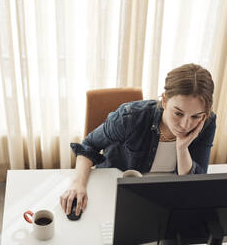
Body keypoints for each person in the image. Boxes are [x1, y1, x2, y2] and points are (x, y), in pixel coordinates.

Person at [60, 63, 216, 217]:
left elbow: (194, 185)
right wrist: (78, 184)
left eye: (195, 116)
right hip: (119, 192)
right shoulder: (130, 117)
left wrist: (182, 149)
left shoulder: (206, 123)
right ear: (165, 100)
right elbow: (89, 146)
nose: (185, 125)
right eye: (178, 113)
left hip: (165, 201)